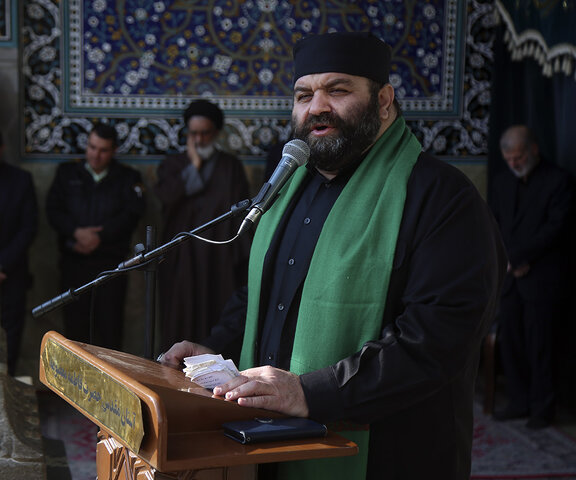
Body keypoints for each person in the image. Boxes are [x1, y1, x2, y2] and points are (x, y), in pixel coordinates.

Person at [159, 32, 506, 480]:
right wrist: (218, 350)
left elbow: (436, 341)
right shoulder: (288, 187)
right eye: (304, 95)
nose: (316, 107)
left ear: (383, 100)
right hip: (266, 439)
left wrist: (311, 393)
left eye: (337, 90)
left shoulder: (441, 198)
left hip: (388, 450)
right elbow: (263, 294)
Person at [489, 125, 573, 429]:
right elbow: (493, 224)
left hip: (542, 279)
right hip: (512, 277)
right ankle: (519, 400)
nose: (513, 163)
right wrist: (510, 261)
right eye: (508, 158)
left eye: (519, 157)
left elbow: (556, 229)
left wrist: (522, 259)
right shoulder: (501, 182)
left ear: (534, 150)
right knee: (511, 341)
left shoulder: (559, 181)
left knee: (541, 345)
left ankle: (542, 408)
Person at [154, 99, 251, 352]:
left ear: (216, 133)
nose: (199, 139)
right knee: (180, 319)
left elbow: (243, 214)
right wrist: (193, 164)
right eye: (193, 133)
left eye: (205, 133)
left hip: (219, 262)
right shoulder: (174, 164)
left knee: (216, 321)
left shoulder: (231, 166)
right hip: (182, 263)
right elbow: (167, 198)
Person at [45, 122, 145, 348]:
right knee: (75, 332)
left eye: (103, 150)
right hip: (74, 263)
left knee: (109, 330)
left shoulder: (127, 178)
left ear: (113, 151)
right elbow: (53, 210)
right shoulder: (67, 173)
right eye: (92, 147)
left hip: (111, 267)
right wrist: (75, 233)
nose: (96, 155)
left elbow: (132, 213)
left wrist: (101, 237)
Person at [0, 123, 38, 376]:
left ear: (1, 150)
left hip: (11, 274)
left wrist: (1, 265)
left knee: (11, 337)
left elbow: (28, 228)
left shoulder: (19, 180)